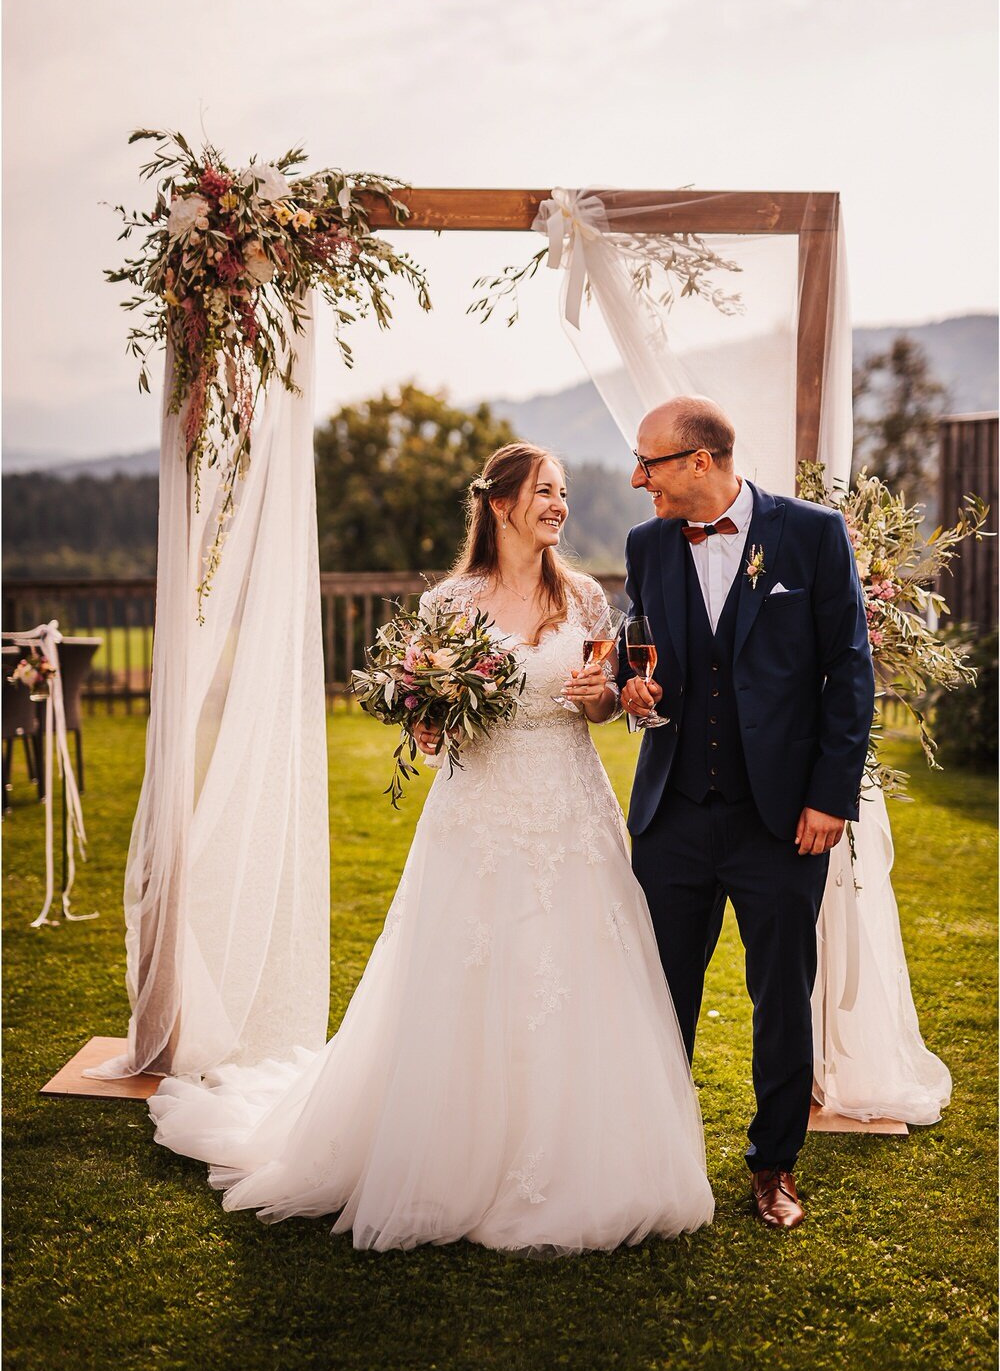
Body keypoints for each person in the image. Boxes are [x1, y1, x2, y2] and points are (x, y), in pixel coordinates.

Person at [148, 441, 714, 1253]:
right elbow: (435, 725)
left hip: (571, 810)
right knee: (468, 972)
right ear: (502, 504)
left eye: (562, 491)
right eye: (545, 491)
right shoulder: (452, 601)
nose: (559, 504)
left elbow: (598, 706)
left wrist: (599, 697)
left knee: (577, 972)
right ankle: (454, 1154)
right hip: (478, 815)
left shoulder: (586, 597)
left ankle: (581, 1159)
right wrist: (426, 718)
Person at [619, 397, 875, 1229]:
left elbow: (850, 674)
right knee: (660, 996)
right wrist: (633, 683)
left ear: (699, 461)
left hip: (783, 818)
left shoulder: (811, 533)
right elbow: (636, 642)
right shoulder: (647, 543)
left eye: (648, 463)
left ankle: (774, 1167)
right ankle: (657, 1153)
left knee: (780, 993)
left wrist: (829, 797)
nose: (637, 478)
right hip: (674, 816)